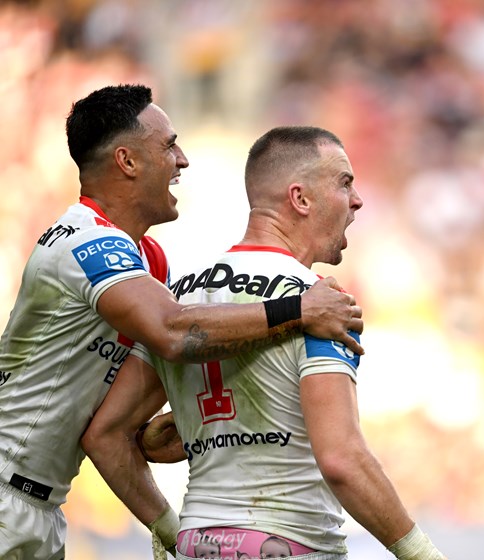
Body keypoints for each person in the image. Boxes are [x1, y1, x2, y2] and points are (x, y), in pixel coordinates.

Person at [0, 85, 365, 560]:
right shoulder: (82, 244)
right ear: (128, 162)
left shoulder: (149, 264)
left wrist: (174, 523)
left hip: (41, 507)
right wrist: (298, 311)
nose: (183, 160)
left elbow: (111, 429)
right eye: (168, 145)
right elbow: (174, 332)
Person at [83, 126, 447, 560]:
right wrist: (421, 553)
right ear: (300, 198)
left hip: (197, 542)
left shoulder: (178, 300)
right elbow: (341, 459)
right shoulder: (321, 304)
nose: (357, 199)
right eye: (344, 182)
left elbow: (106, 436)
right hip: (288, 542)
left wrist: (166, 528)